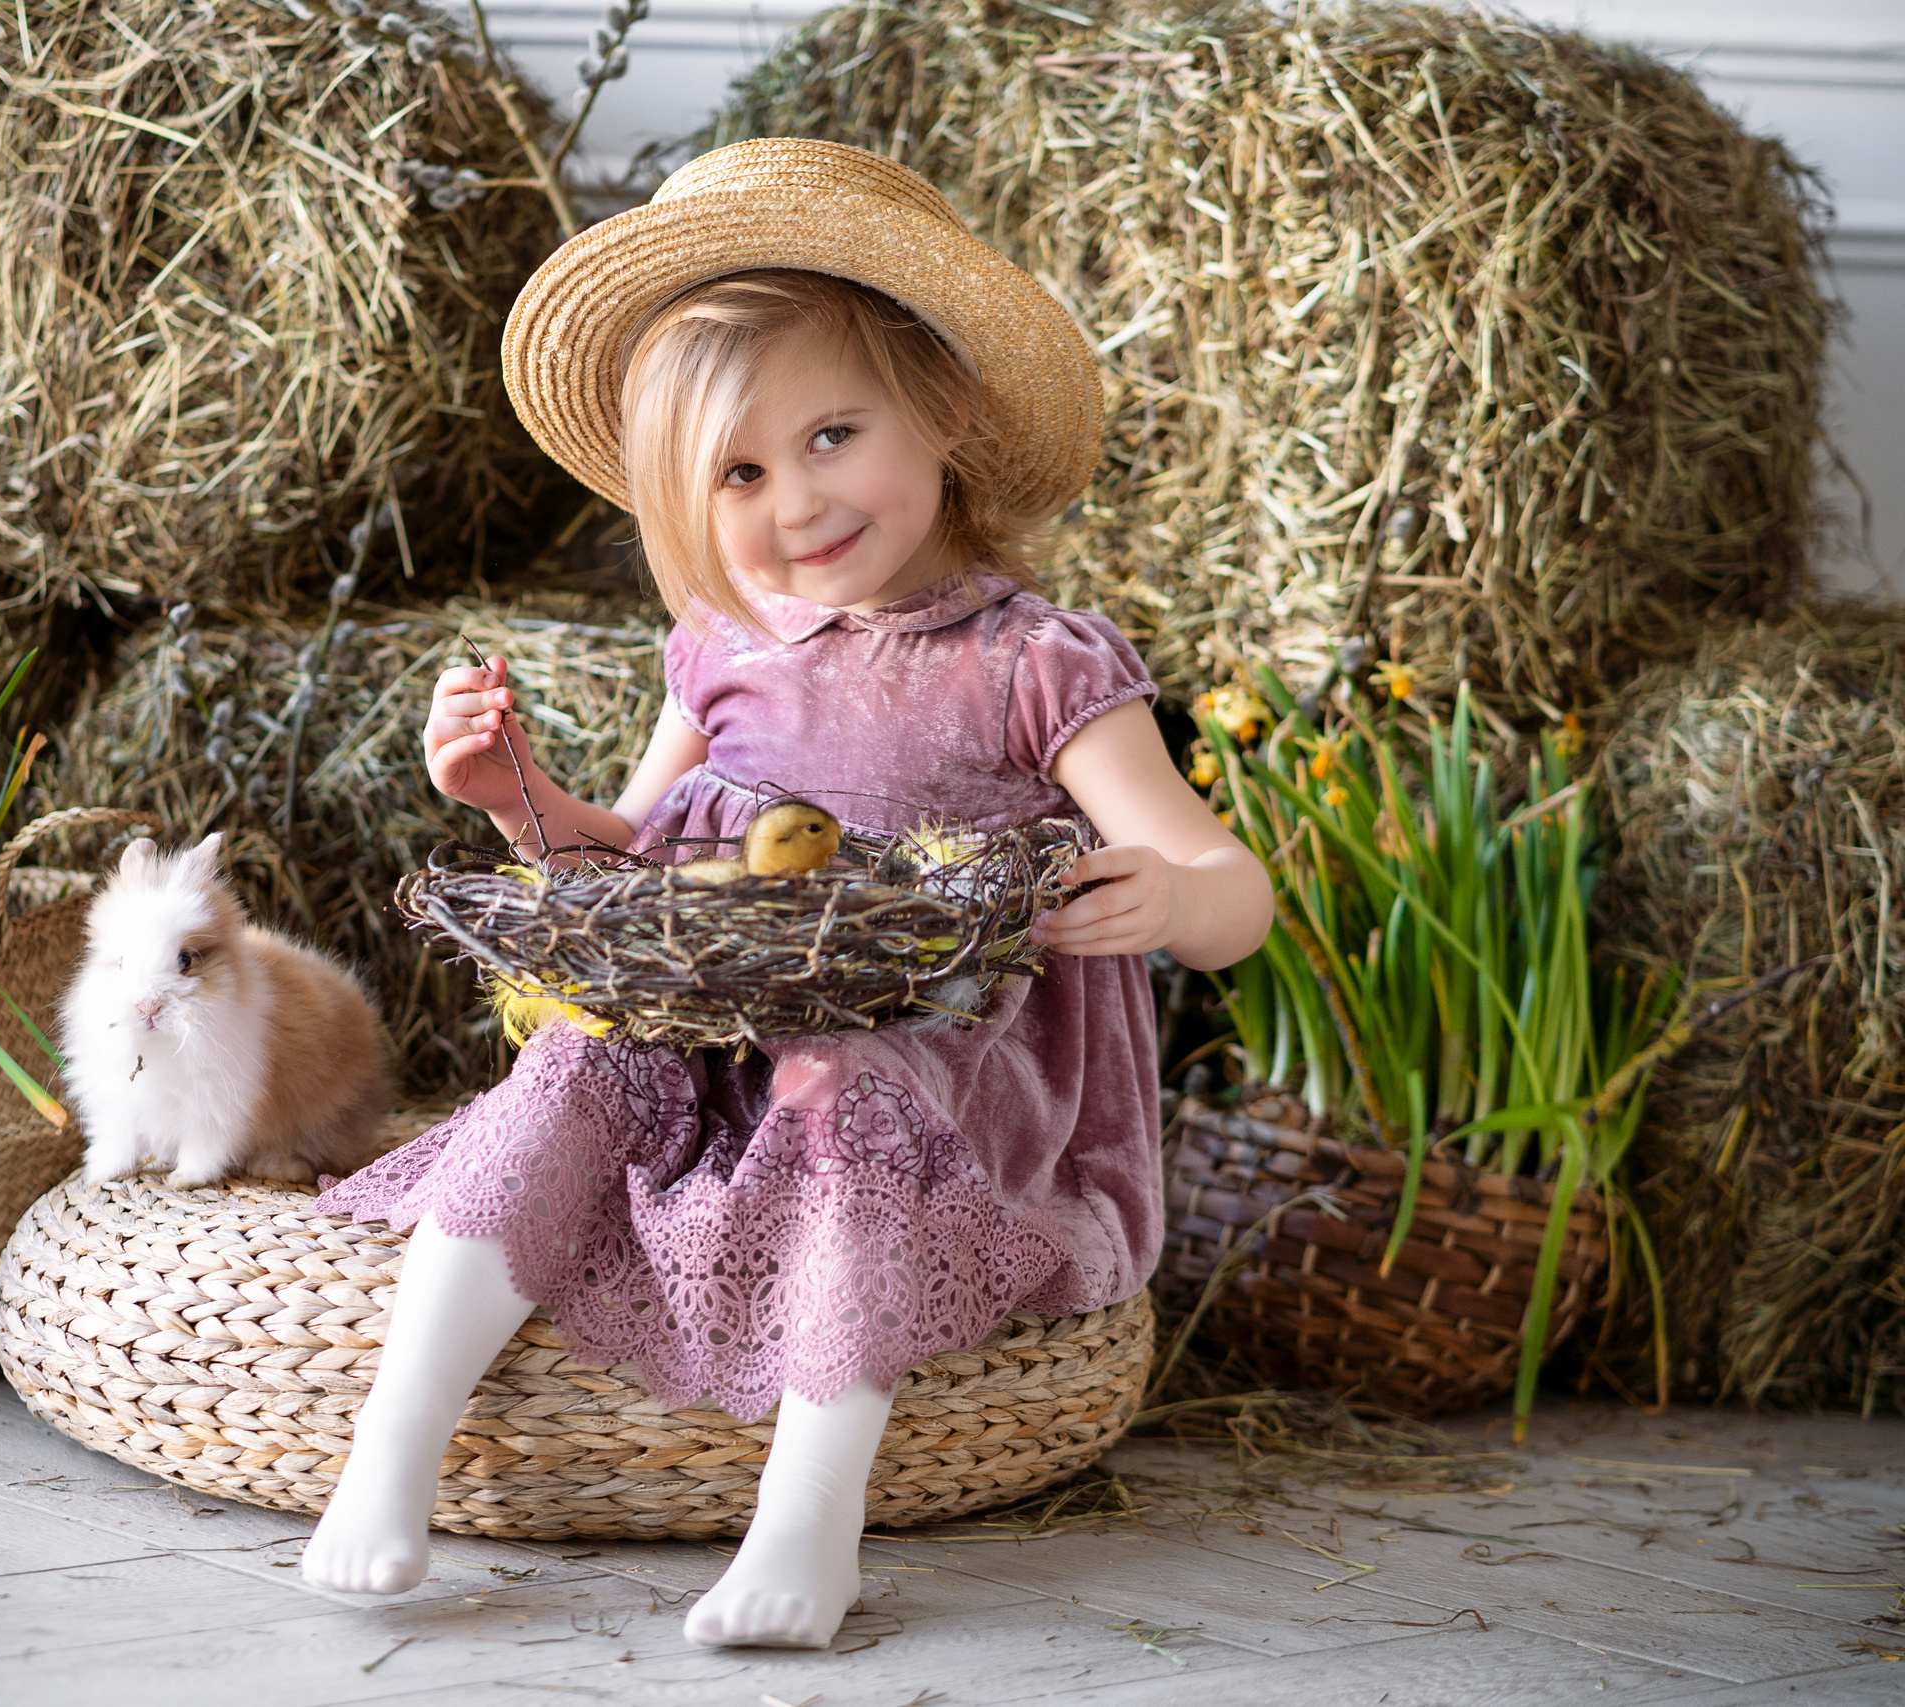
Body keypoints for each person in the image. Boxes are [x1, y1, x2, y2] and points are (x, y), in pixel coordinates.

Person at [301, 138, 1272, 1647]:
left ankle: (810, 1519)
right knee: (569, 1063)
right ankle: (391, 1452)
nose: (797, 502)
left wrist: (1170, 897)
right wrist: (515, 802)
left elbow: (1227, 879)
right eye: (740, 474)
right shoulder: (723, 643)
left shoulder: (1033, 662)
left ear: (939, 408)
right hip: (709, 1028)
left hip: (940, 1046)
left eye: (833, 435)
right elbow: (628, 863)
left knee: (848, 1081)